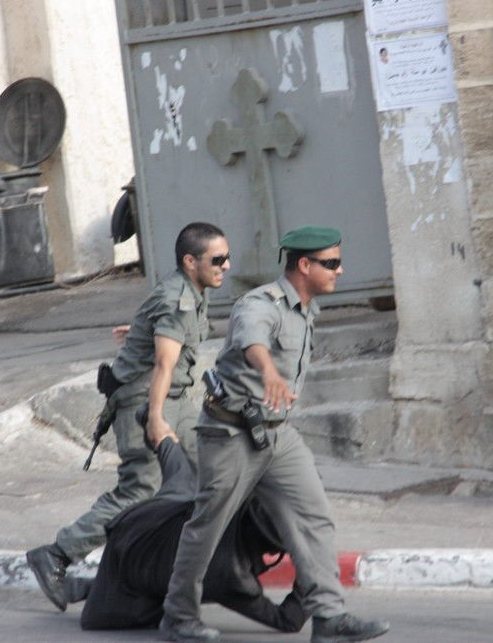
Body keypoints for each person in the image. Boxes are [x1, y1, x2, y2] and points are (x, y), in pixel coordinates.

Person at [160, 226, 390, 643]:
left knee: (313, 516)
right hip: (230, 434)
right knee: (207, 525)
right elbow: (253, 341)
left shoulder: (307, 309)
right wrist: (267, 371)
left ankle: (329, 618)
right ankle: (178, 615)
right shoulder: (259, 304)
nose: (340, 270)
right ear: (304, 265)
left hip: (277, 435)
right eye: (332, 263)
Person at [26, 222, 231, 612]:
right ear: (191, 261)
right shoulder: (178, 299)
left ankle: (163, 567)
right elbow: (163, 365)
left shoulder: (187, 291)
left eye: (227, 258)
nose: (226, 266)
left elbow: (163, 337)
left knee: (211, 474)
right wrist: (154, 418)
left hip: (174, 400)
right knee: (141, 490)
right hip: (149, 399)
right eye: (218, 259)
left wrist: (140, 332)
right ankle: (57, 554)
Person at [70, 428, 307, 634]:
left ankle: (155, 426)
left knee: (179, 469)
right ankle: (89, 586)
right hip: (132, 558)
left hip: (158, 512)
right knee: (133, 610)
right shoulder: (232, 577)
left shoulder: (226, 501)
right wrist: (311, 574)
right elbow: (288, 620)